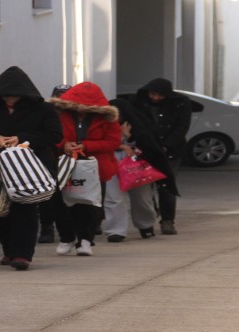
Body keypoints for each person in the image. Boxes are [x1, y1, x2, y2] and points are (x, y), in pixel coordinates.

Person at [0, 66, 63, 270]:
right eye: (6, 95)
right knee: (0, 210)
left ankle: (22, 254)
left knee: (26, 208)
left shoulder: (44, 109)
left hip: (30, 168)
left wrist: (22, 139)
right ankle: (9, 251)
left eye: (15, 95)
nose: (10, 99)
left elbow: (54, 135)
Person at [49, 81, 121, 256]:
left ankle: (86, 240)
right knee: (61, 203)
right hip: (64, 165)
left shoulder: (107, 119)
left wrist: (85, 145)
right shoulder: (60, 115)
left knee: (91, 205)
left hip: (95, 168)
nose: (82, 109)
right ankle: (67, 237)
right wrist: (64, 145)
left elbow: (113, 142)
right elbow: (51, 135)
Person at [103, 99, 179, 242]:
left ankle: (146, 225)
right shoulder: (103, 124)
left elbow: (149, 143)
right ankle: (115, 231)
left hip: (136, 164)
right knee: (113, 198)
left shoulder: (138, 123)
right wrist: (120, 146)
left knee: (142, 198)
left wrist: (129, 137)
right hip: (111, 161)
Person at [128, 78, 191, 235]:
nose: (155, 98)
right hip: (145, 149)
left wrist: (167, 146)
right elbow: (132, 123)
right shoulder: (137, 101)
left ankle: (167, 220)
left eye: (160, 96)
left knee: (166, 185)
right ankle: (149, 217)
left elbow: (182, 127)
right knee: (144, 187)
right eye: (153, 94)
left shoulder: (181, 103)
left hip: (171, 150)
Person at [37, 84, 72, 244]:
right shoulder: (47, 112)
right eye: (59, 94)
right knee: (49, 196)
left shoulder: (77, 114)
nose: (62, 98)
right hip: (51, 159)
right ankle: (47, 227)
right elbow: (49, 135)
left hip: (74, 159)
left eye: (66, 94)